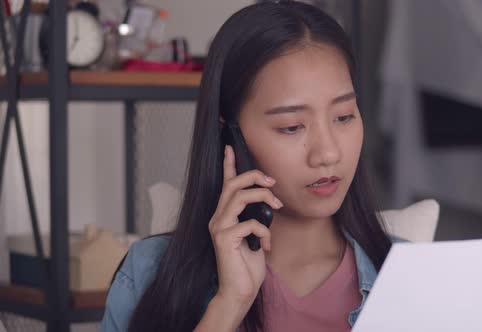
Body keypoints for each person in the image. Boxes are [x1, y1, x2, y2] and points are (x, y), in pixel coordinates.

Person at [100, 1, 403, 331]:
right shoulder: (147, 273)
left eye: (344, 117)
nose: (327, 153)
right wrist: (230, 303)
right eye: (291, 127)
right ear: (230, 132)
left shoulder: (415, 275)